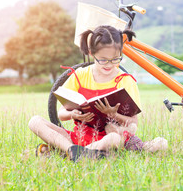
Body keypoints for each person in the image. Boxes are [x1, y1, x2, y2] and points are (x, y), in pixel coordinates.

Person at [28, 25, 167, 162]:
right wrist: (72, 114)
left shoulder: (125, 81)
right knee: (35, 122)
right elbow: (61, 114)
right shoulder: (79, 76)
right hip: (79, 137)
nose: (108, 64)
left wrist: (114, 115)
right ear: (91, 53)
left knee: (114, 139)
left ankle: (75, 152)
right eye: (103, 60)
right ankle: (73, 150)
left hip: (109, 136)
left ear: (121, 54)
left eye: (115, 59)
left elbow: (133, 124)